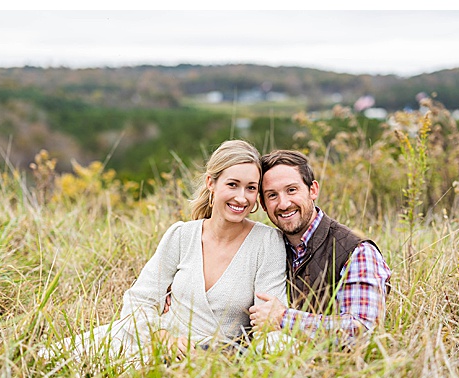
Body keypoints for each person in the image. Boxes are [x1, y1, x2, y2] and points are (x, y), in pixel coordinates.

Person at [44, 139, 288, 363]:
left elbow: (268, 323)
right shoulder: (181, 235)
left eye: (251, 188)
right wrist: (162, 338)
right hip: (150, 341)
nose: (241, 197)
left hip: (212, 359)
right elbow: (140, 298)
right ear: (211, 183)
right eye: (232, 184)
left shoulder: (267, 243)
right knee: (48, 361)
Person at [248, 150, 392, 344]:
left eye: (291, 190)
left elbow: (362, 330)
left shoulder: (356, 251)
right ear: (263, 205)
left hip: (337, 371)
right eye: (272, 195)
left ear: (313, 190)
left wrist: (283, 319)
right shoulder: (266, 247)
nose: (283, 204)